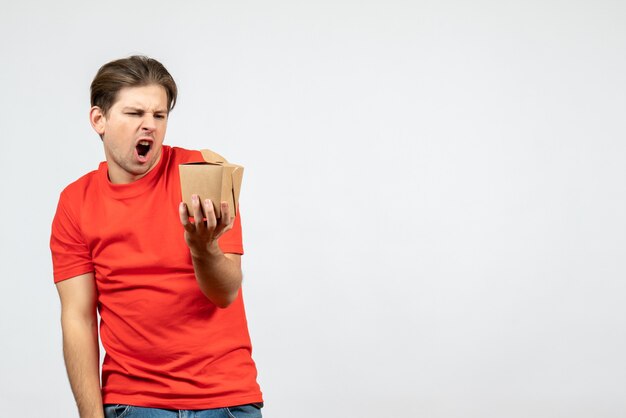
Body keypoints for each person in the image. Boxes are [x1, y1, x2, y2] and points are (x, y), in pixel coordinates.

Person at [50, 56, 263, 418]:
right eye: (135, 114)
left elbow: (225, 292)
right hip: (134, 404)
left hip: (225, 400)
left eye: (159, 116)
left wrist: (204, 248)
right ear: (99, 120)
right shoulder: (76, 202)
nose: (149, 126)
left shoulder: (203, 175)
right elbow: (78, 318)